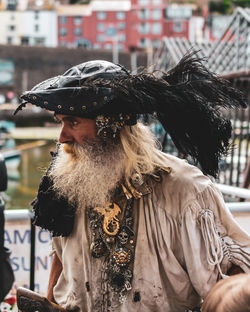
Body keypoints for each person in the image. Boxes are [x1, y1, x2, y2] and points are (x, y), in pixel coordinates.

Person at [15, 53, 250, 312]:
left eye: (73, 122)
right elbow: (61, 259)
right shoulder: (69, 182)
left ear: (110, 126)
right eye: (61, 123)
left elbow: (233, 287)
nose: (62, 137)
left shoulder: (185, 191)